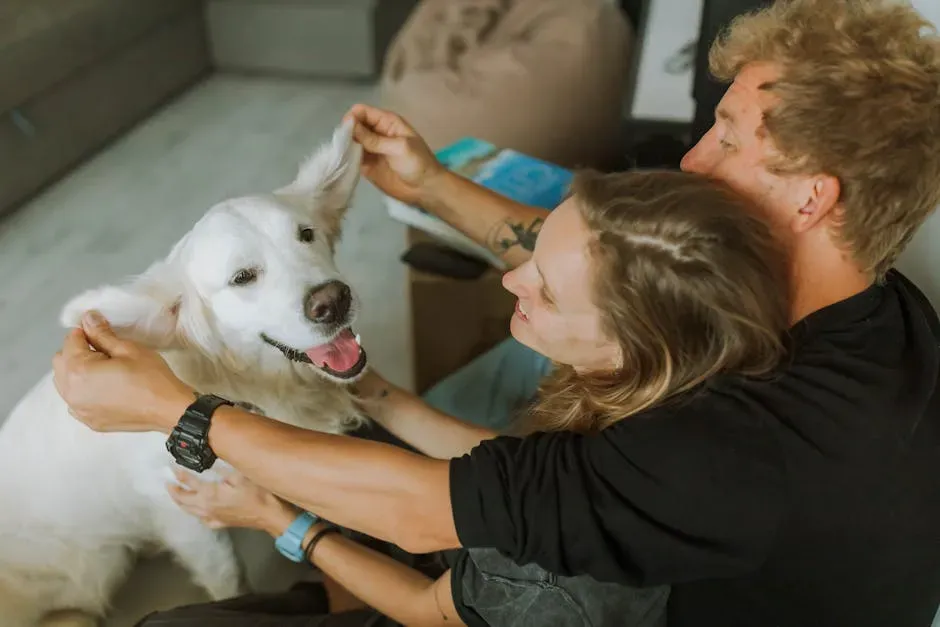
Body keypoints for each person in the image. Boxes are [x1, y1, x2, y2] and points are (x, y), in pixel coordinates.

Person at [54, 0, 940, 625]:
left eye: (733, 139)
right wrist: (436, 187)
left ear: (813, 198)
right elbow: (607, 270)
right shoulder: (872, 307)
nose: (698, 158)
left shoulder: (730, 448)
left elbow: (433, 511)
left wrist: (180, 412)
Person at [123, 169, 790, 627]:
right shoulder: (659, 397)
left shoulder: (565, 566)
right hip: (500, 562)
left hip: (460, 609)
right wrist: (377, 394)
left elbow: (426, 611)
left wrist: (280, 521)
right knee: (362, 451)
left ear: (626, 344)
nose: (511, 281)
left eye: (546, 289)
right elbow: (512, 472)